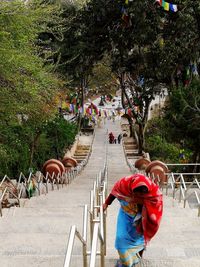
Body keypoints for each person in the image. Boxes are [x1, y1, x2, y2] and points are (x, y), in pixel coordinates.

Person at [103, 174, 163, 267]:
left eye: (141, 195)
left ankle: (136, 257)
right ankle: (126, 261)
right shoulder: (124, 183)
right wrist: (107, 203)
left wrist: (141, 202)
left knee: (138, 239)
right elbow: (114, 192)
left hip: (141, 218)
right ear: (132, 188)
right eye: (136, 194)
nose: (137, 196)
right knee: (120, 237)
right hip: (125, 215)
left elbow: (156, 204)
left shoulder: (153, 191)